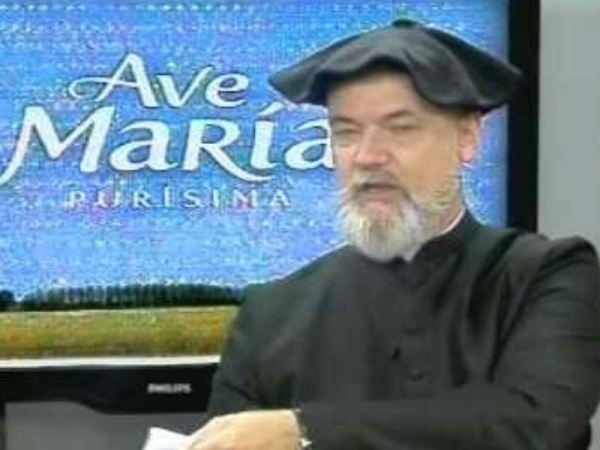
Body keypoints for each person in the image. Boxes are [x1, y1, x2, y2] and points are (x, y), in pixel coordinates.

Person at [184, 19, 600, 450]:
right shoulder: (270, 316)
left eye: (400, 129)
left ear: (468, 137)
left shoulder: (544, 275)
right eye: (346, 133)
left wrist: (305, 429)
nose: (367, 156)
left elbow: (535, 421)